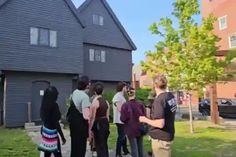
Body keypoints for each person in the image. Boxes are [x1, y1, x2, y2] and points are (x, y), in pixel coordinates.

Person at [139, 74, 177, 157]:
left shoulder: (159, 100)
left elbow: (160, 123)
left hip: (161, 140)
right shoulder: (170, 96)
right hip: (167, 135)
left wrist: (144, 119)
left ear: (154, 85)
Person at [40, 86, 66, 157]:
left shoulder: (43, 105)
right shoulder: (54, 105)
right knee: (57, 154)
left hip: (45, 132)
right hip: (52, 134)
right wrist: (62, 137)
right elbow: (56, 123)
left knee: (47, 154)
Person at [68, 76, 91, 157]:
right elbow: (86, 116)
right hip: (80, 127)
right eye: (89, 82)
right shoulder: (85, 97)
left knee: (74, 147)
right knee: (81, 149)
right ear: (87, 85)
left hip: (73, 125)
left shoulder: (75, 92)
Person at [120, 87, 145, 157]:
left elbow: (123, 118)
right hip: (140, 128)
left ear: (127, 95)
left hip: (131, 129)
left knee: (134, 149)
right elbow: (144, 116)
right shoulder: (140, 104)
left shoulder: (125, 105)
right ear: (135, 94)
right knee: (140, 148)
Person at [90, 82, 110, 157]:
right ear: (103, 91)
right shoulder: (107, 102)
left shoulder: (95, 102)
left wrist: (90, 129)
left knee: (99, 144)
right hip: (105, 123)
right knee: (104, 143)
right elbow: (107, 116)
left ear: (95, 91)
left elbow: (92, 117)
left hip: (98, 124)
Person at [112, 82, 130, 157]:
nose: (127, 89)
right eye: (126, 87)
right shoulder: (118, 96)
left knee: (123, 135)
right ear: (123, 87)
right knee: (121, 136)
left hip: (122, 120)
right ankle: (118, 153)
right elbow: (120, 109)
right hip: (120, 120)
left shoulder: (121, 96)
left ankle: (125, 150)